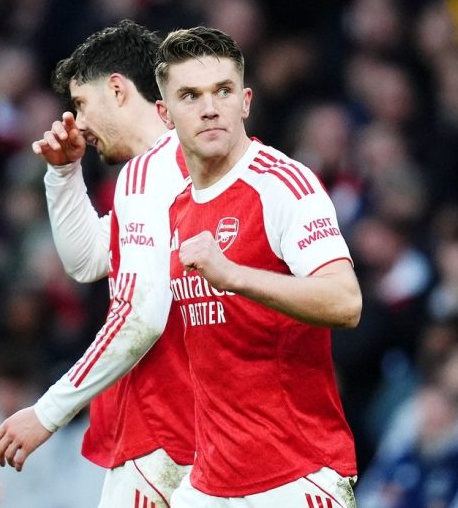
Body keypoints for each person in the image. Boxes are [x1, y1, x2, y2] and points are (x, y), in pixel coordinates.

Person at [0, 20, 194, 507]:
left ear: (118, 90)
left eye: (81, 103)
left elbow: (140, 316)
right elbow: (88, 261)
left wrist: (47, 412)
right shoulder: (183, 165)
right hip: (194, 427)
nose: (78, 123)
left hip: (169, 431)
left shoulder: (150, 172)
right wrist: (62, 174)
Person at [155, 26, 362, 506]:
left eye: (223, 91)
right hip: (210, 481)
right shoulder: (175, 207)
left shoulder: (283, 184)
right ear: (165, 114)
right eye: (190, 96)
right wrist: (62, 176)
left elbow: (346, 301)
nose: (210, 108)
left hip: (296, 476)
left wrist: (233, 276)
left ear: (245, 101)